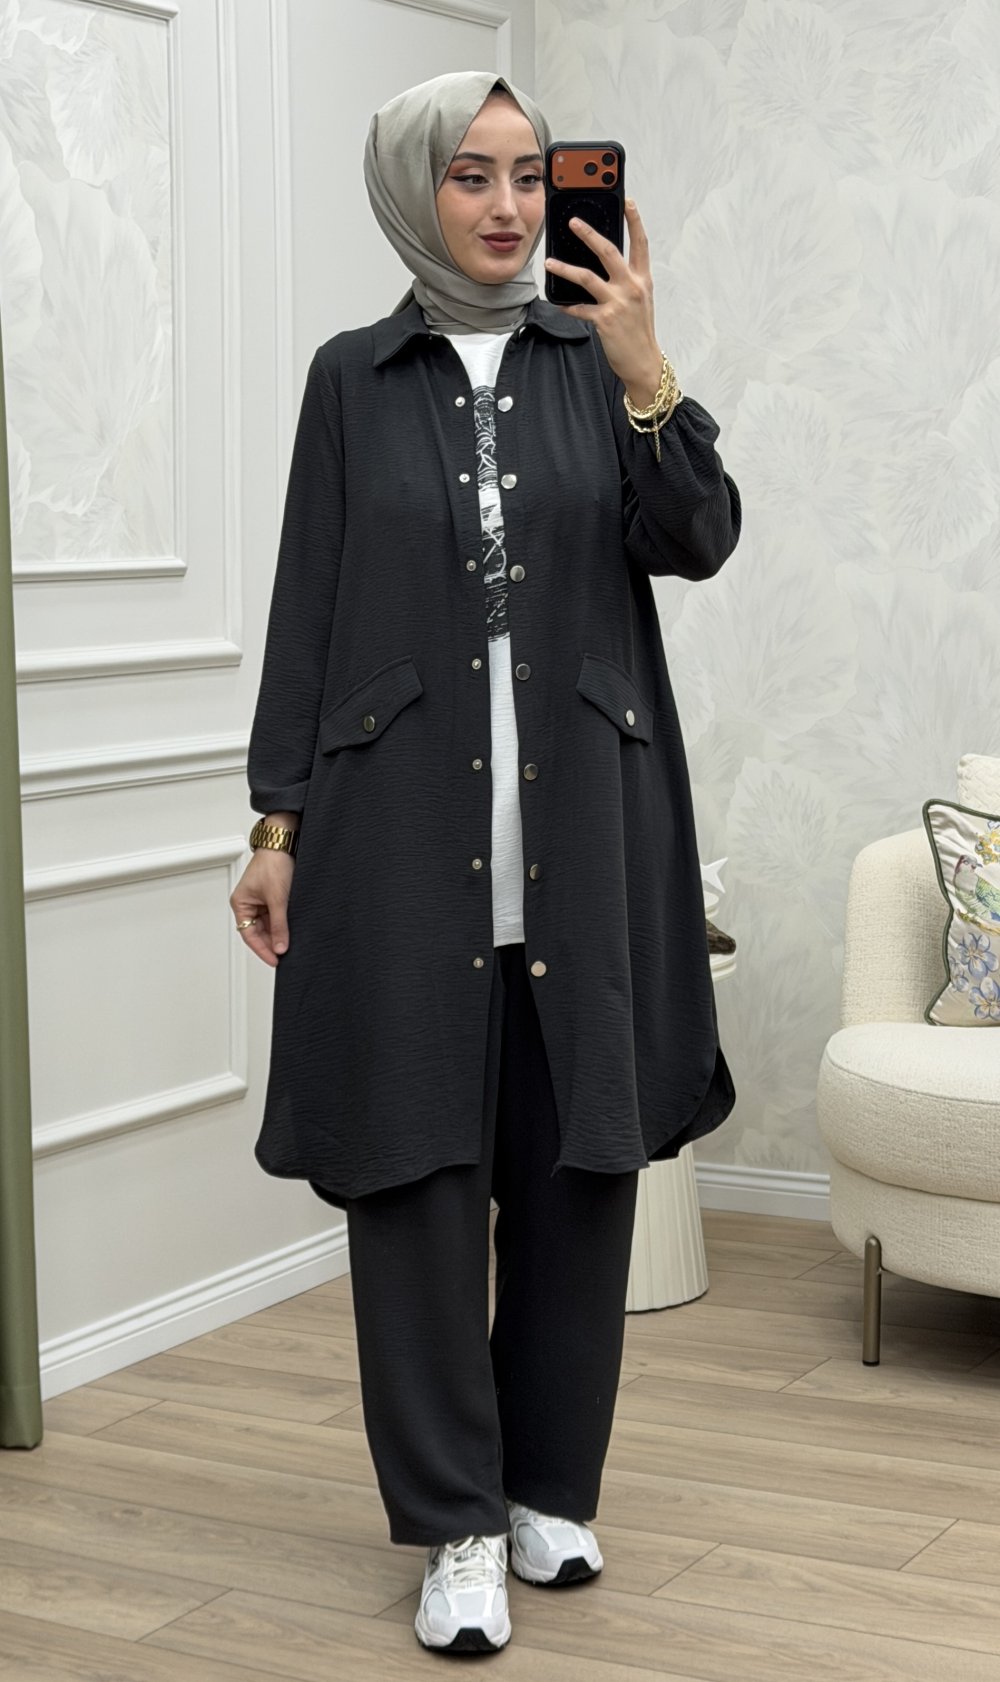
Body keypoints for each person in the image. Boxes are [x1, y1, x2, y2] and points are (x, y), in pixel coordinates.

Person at [230, 69, 741, 1656]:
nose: (511, 205)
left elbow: (700, 534)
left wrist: (648, 369)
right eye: (472, 175)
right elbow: (309, 602)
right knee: (419, 1177)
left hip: (587, 826)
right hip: (395, 839)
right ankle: (454, 1523)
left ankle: (547, 1489)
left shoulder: (598, 361)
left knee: (580, 1165)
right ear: (414, 190)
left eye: (529, 173)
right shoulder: (351, 379)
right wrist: (275, 823)